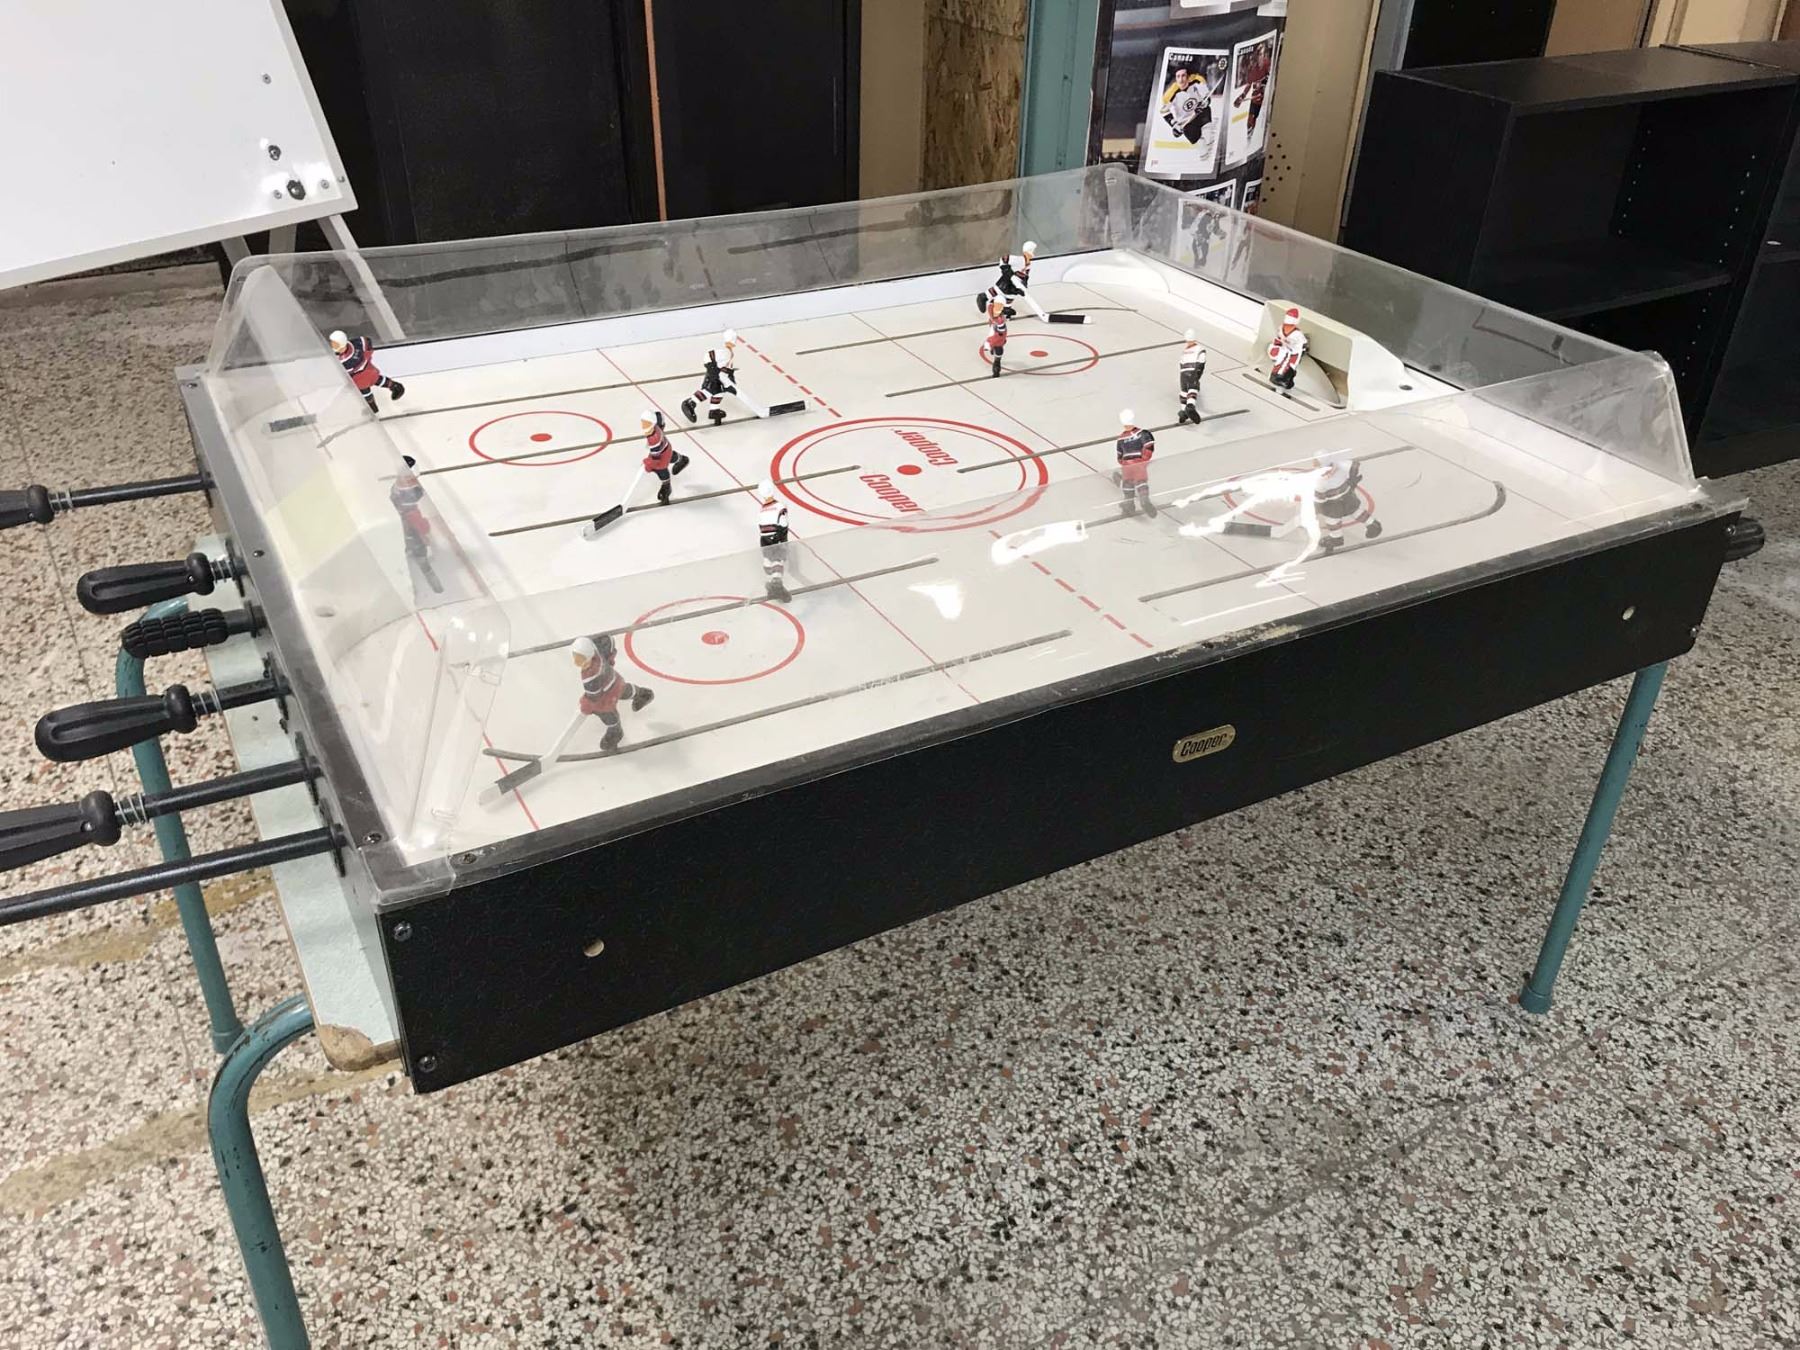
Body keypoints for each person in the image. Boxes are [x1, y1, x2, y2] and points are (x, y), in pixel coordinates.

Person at [571, 633, 654, 754]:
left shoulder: (589, 675)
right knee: (624, 690)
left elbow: (594, 697)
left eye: (580, 658)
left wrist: (586, 704)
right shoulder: (597, 656)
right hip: (615, 681)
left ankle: (615, 731)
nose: (577, 662)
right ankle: (643, 694)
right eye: (575, 657)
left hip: (608, 695)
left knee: (605, 712)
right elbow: (607, 641)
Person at [682, 330, 768, 424]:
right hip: (715, 376)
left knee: (718, 391)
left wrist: (730, 377)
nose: (734, 342)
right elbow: (708, 355)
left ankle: (714, 411)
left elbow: (727, 368)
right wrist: (713, 369)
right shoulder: (726, 352)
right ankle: (691, 402)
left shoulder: (729, 352)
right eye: (733, 339)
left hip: (721, 377)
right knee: (709, 390)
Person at [330, 331, 404, 413]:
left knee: (365, 391)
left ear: (341, 344)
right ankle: (395, 386)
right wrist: (366, 357)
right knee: (376, 379)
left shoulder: (345, 360)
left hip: (360, 377)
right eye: (332, 342)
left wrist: (365, 357)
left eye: (335, 344)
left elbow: (341, 370)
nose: (332, 345)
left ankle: (372, 408)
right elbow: (366, 341)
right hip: (367, 370)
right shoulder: (355, 344)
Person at [978, 242, 1048, 321]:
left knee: (1010, 296)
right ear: (1029, 251)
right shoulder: (1019, 260)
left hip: (1014, 286)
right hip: (1007, 281)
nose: (1034, 253)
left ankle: (1005, 311)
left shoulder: (1028, 265)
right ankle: (984, 296)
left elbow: (1025, 276)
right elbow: (1004, 259)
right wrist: (1005, 268)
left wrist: (1023, 286)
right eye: (1033, 250)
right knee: (999, 290)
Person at [639, 410, 691, 505]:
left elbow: (655, 458)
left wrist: (649, 464)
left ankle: (666, 487)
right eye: (643, 423)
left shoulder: (653, 439)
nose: (643, 426)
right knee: (670, 456)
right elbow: (659, 417)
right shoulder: (655, 428)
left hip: (662, 454)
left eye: (646, 423)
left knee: (660, 469)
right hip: (666, 448)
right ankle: (682, 459)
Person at [1115, 410, 1157, 518]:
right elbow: (1149, 446)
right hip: (1139, 462)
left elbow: (1119, 456)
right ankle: (1144, 500)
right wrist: (1144, 459)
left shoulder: (1121, 438)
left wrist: (1124, 463)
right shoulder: (1143, 433)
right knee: (1141, 481)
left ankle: (1129, 504)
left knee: (1127, 483)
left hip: (1126, 464)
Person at [757, 481, 792, 602]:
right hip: (776, 536)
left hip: (764, 539)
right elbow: (784, 524)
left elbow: (761, 527)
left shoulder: (762, 509)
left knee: (767, 560)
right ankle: (777, 585)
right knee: (777, 559)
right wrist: (784, 541)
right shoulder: (780, 506)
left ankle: (771, 583)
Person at [1267, 307, 1308, 393]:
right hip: (1286, 351)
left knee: (1288, 367)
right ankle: (1278, 378)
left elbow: (1303, 345)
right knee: (1281, 364)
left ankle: (1283, 381)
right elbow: (1278, 339)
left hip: (1293, 353)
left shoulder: (1297, 334)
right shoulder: (1282, 329)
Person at [1177, 330, 1206, 424]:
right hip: (1193, 370)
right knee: (1193, 388)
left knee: (1184, 391)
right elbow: (1201, 362)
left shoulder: (1184, 351)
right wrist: (1198, 374)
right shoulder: (1200, 349)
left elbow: (1181, 363)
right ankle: (1190, 405)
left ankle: (1183, 411)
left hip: (1183, 372)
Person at [980, 297, 1009, 378]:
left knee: (998, 347)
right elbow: (1001, 328)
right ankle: (996, 365)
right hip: (998, 334)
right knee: (998, 349)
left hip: (997, 333)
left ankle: (996, 364)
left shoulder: (991, 308)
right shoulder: (998, 318)